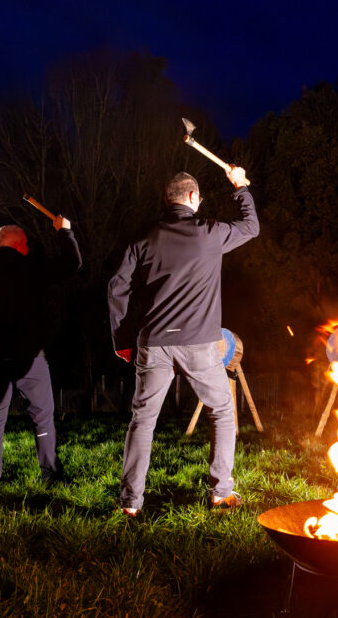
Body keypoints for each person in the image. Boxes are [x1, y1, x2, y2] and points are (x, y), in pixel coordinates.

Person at [108, 166, 259, 516]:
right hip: (199, 346)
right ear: (193, 198)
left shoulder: (143, 239)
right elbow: (251, 226)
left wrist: (121, 337)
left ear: (167, 199)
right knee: (221, 410)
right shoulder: (210, 233)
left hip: (153, 343)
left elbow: (116, 287)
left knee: (142, 420)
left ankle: (130, 503)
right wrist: (240, 187)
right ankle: (221, 492)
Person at [0, 217, 81, 508]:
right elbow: (71, 264)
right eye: (25, 243)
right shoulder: (32, 269)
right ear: (19, 245)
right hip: (30, 357)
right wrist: (65, 231)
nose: (28, 247)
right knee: (43, 417)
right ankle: (50, 474)